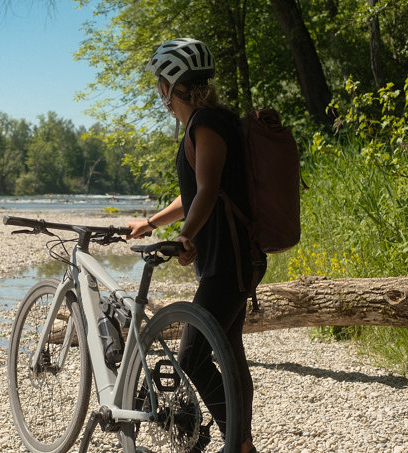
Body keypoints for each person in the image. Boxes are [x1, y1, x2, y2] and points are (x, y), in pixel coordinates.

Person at [127, 38, 262, 453]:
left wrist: (187, 236)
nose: (159, 94)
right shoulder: (206, 123)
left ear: (172, 85)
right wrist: (152, 222)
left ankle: (238, 445)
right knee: (231, 353)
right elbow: (193, 194)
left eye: (159, 84)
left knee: (193, 358)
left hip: (230, 262)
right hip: (232, 259)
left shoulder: (206, 123)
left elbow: (207, 189)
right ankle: (241, 443)